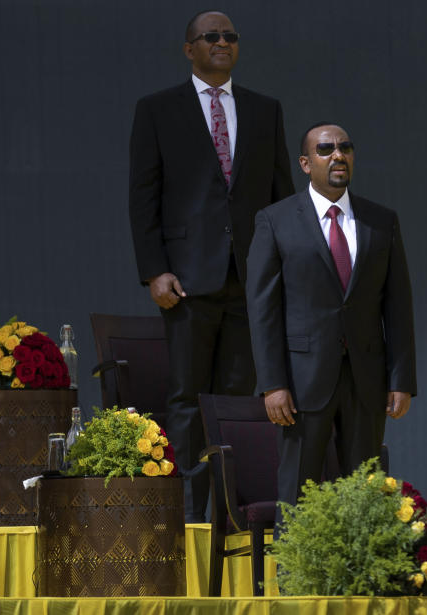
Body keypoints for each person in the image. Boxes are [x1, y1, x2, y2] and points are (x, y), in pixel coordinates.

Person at [128, 10, 294, 521]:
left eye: (230, 36)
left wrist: (284, 268)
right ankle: (188, 515)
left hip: (250, 280)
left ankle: (227, 511)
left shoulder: (265, 109)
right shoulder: (158, 109)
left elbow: (280, 195)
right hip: (186, 279)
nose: (222, 42)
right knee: (186, 399)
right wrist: (154, 269)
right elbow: (143, 196)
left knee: (238, 399)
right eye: (210, 36)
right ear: (189, 49)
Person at [245, 122, 417, 519]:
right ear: (305, 163)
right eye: (325, 150)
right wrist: (272, 384)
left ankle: (360, 581)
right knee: (298, 491)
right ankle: (292, 582)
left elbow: (398, 305)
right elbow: (263, 309)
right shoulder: (275, 221)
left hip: (366, 377)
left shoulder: (381, 221)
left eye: (345, 148)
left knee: (365, 493)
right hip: (301, 381)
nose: (337, 155)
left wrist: (401, 379)